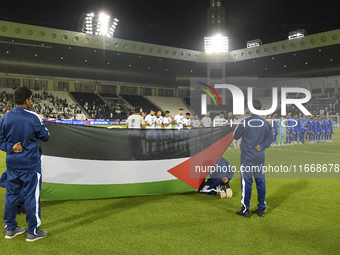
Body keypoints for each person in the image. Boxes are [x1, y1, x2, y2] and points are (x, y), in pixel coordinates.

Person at [0, 87, 49, 241]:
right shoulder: (33, 117)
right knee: (31, 197)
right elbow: (46, 137)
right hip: (30, 166)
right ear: (28, 100)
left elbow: (1, 141)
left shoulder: (5, 118)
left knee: (11, 196)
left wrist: (11, 148)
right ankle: (32, 231)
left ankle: (11, 229)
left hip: (13, 165)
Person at [233, 99, 273, 218]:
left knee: (247, 183)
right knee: (260, 182)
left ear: (250, 109)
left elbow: (235, 136)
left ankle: (245, 209)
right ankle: (261, 208)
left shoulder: (245, 122)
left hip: (247, 158)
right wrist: (261, 146)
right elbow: (270, 138)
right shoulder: (265, 123)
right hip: (259, 158)